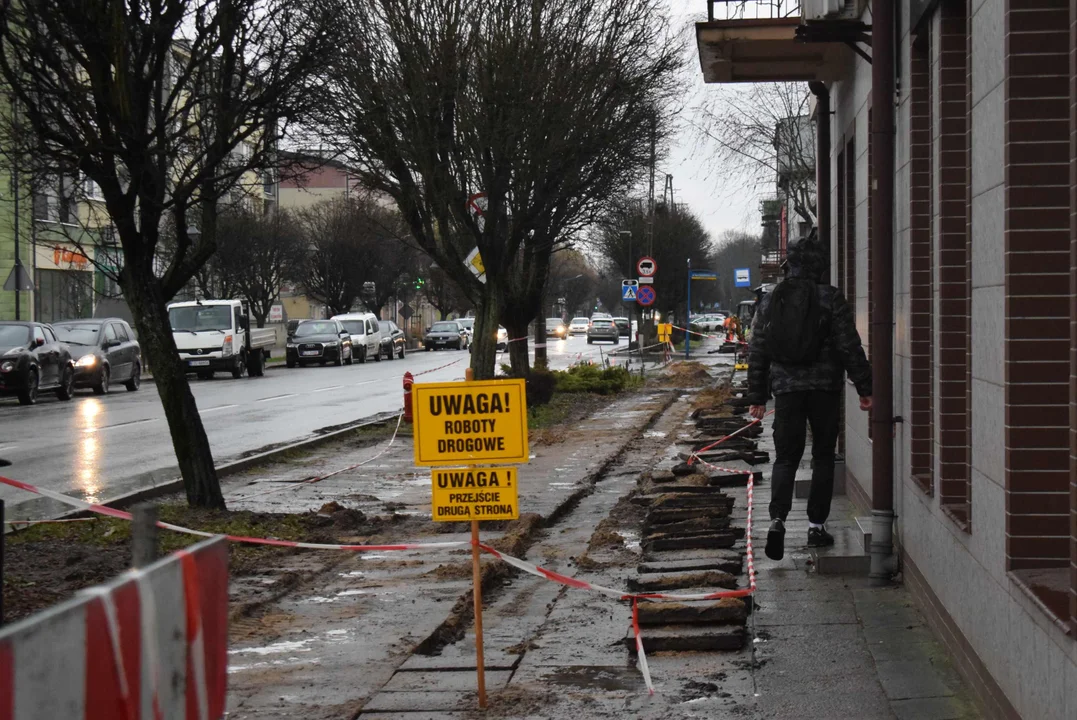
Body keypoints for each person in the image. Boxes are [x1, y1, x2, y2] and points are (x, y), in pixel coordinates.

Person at [745, 236, 872, 561]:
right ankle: (816, 527)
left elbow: (758, 348)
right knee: (823, 456)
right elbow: (849, 344)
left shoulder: (772, 299)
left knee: (786, 458)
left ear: (791, 264)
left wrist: (757, 396)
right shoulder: (829, 298)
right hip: (824, 390)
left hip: (786, 390)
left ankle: (777, 519)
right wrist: (864, 387)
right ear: (820, 265)